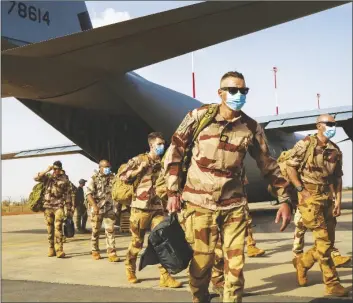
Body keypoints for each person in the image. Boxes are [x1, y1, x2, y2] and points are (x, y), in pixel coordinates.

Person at [164, 71, 292, 302]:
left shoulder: (251, 127)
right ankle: (200, 296)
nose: (238, 94)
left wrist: (284, 199)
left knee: (235, 266)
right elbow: (175, 151)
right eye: (233, 90)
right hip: (199, 203)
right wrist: (172, 191)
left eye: (243, 91)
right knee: (202, 263)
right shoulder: (199, 116)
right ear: (220, 93)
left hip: (234, 205)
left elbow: (268, 164)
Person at [286, 114, 349, 297]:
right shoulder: (305, 144)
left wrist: (338, 199)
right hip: (310, 199)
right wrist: (301, 190)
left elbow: (337, 177)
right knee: (323, 242)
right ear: (318, 126)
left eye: (334, 124)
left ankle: (303, 263)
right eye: (329, 123)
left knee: (327, 243)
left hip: (327, 197)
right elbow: (291, 166)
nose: (332, 126)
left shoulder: (335, 150)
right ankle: (332, 284)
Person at [119, 132, 181, 288]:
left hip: (157, 208)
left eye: (163, 143)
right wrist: (138, 169)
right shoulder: (139, 159)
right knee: (137, 243)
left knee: (162, 240)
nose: (162, 146)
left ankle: (165, 276)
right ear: (151, 145)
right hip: (140, 208)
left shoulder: (163, 162)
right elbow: (123, 176)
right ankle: (130, 268)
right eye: (159, 144)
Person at [34, 160, 73, 258]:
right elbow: (36, 178)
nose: (55, 170)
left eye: (57, 169)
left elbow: (68, 194)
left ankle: (59, 249)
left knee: (58, 227)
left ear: (60, 169)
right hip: (48, 207)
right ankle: (51, 248)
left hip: (58, 206)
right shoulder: (48, 177)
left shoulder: (65, 179)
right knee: (49, 229)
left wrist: (69, 209)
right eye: (54, 169)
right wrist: (47, 170)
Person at [86, 160, 120, 262]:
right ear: (100, 167)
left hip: (109, 208)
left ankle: (111, 253)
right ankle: (95, 250)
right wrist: (95, 206)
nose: (107, 168)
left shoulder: (113, 178)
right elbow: (88, 194)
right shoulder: (94, 179)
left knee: (110, 230)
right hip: (97, 209)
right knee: (95, 231)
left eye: (109, 166)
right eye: (105, 167)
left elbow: (117, 192)